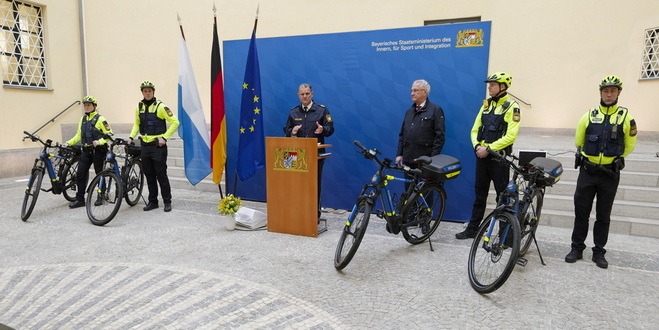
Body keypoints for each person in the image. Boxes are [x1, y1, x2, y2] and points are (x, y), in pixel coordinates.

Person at [565, 75, 637, 269]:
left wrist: (613, 158)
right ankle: (577, 248)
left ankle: (598, 252)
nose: (609, 94)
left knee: (603, 215)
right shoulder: (589, 115)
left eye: (613, 90)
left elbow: (629, 145)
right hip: (588, 171)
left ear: (618, 93)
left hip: (609, 174)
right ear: (600, 93)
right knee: (582, 212)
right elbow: (579, 140)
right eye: (605, 91)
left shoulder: (626, 118)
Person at [456, 72, 521, 239]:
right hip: (482, 158)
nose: (489, 87)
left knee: (503, 197)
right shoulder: (486, 106)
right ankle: (473, 229)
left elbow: (510, 136)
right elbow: (474, 129)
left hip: (499, 159)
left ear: (503, 86)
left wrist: (489, 148)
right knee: (480, 194)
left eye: (493, 84)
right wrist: (477, 146)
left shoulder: (512, 106)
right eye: (489, 84)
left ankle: (505, 236)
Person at [283, 83, 335, 219]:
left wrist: (323, 129)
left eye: (307, 93)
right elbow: (286, 130)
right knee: (296, 184)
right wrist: (292, 131)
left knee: (314, 185)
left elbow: (331, 129)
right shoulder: (293, 112)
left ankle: (313, 215)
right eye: (302, 94)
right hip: (295, 155)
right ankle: (298, 213)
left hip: (315, 155)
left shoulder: (322, 110)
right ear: (298, 95)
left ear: (312, 94)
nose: (305, 96)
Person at [129, 80, 180, 212]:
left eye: (149, 91)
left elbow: (175, 122)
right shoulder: (139, 107)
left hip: (158, 147)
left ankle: (167, 201)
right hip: (145, 146)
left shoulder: (160, 107)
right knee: (149, 175)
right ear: (142, 92)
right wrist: (130, 137)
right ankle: (153, 201)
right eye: (145, 91)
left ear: (153, 92)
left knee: (161, 174)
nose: (147, 93)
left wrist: (164, 137)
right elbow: (136, 124)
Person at [65, 96, 114, 208]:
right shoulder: (82, 119)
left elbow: (110, 134)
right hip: (86, 151)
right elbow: (78, 135)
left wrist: (100, 141)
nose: (86, 107)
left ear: (94, 106)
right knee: (80, 174)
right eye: (85, 105)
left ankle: (101, 196)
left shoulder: (101, 119)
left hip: (98, 151)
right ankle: (80, 199)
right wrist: (68, 143)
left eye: (89, 105)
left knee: (99, 173)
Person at [395, 79, 446, 169]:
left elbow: (439, 137)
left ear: (425, 92)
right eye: (411, 90)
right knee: (408, 183)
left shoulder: (435, 110)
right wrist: (399, 154)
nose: (412, 93)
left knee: (423, 184)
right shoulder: (409, 112)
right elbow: (402, 135)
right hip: (408, 160)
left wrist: (432, 160)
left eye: (416, 90)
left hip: (425, 161)